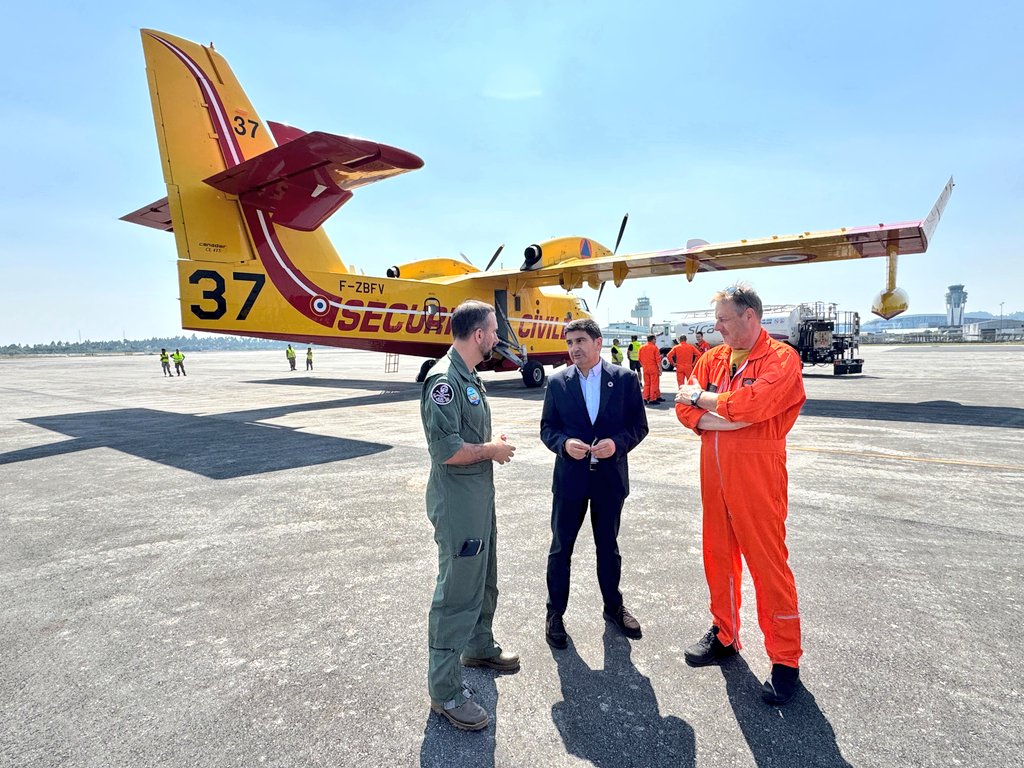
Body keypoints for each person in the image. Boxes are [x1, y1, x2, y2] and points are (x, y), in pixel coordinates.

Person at [674, 283, 806, 706]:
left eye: (724, 320)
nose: (716, 328)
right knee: (717, 556)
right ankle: (725, 634)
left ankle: (785, 661)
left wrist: (704, 400)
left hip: (757, 479)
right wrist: (718, 417)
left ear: (750, 316)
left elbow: (754, 403)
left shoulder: (781, 360)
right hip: (713, 477)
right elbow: (682, 406)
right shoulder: (712, 358)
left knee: (769, 568)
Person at [420, 300, 519, 731]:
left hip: (479, 498)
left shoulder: (470, 377)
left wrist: (488, 441)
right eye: (493, 331)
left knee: (485, 577)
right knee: (457, 591)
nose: (497, 337)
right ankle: (445, 692)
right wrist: (491, 450)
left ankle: (478, 645)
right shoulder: (444, 381)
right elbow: (448, 451)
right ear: (478, 335)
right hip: (459, 505)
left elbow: (466, 437)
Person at [541, 318, 649, 650]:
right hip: (570, 481)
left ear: (598, 342)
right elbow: (548, 428)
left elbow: (639, 426)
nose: (574, 348)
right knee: (561, 549)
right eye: (570, 342)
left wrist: (618, 444)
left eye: (580, 341)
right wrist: (562, 444)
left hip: (608, 481)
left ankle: (613, 607)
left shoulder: (625, 379)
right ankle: (555, 613)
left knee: (608, 548)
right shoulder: (558, 382)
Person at [638, 335, 663, 405]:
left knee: (647, 384)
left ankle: (645, 398)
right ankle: (652, 399)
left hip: (645, 368)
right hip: (653, 368)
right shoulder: (654, 348)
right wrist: (660, 369)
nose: (656, 341)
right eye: (655, 339)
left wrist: (644, 366)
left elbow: (639, 359)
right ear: (652, 340)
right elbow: (658, 360)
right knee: (654, 384)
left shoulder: (642, 347)